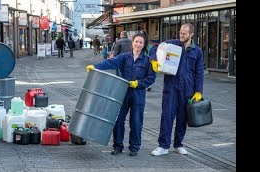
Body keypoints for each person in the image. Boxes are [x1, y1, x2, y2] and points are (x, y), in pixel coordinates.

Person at [86, 32, 156, 156]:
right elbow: (110, 62)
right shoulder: (125, 57)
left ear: (144, 45)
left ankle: (134, 147)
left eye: (141, 42)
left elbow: (151, 78)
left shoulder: (147, 61)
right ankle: (118, 146)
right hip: (122, 93)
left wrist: (138, 83)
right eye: (136, 41)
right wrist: (95, 66)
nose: (138, 44)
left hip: (138, 96)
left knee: (136, 122)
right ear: (132, 42)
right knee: (118, 120)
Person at [149, 23, 204, 156]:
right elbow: (153, 48)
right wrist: (153, 60)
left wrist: (198, 91)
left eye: (184, 33)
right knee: (167, 115)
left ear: (191, 34)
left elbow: (199, 72)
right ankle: (163, 146)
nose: (181, 35)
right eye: (180, 32)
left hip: (187, 88)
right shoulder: (172, 44)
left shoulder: (197, 51)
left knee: (182, 118)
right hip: (171, 86)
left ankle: (178, 144)